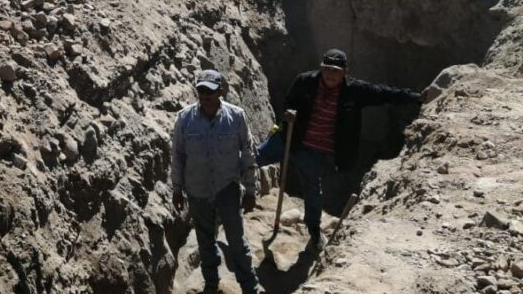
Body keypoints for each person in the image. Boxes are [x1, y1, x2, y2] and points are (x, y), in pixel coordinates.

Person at [257, 48, 422, 252]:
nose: (330, 75)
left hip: (313, 151)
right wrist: (288, 114)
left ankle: (314, 232)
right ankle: (223, 189)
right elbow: (289, 101)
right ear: (321, 68)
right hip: (289, 137)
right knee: (254, 158)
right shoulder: (305, 81)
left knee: (312, 192)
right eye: (327, 69)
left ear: (345, 72)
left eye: (335, 71)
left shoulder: (354, 91)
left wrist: (415, 98)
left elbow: (384, 94)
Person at [171, 69, 260, 294]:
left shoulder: (236, 117)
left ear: (220, 91)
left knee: (237, 241)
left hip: (227, 188)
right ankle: (211, 285)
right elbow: (178, 156)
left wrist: (251, 190)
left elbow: (248, 153)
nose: (205, 96)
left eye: (210, 91)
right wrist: (177, 188)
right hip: (197, 190)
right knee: (205, 241)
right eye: (201, 91)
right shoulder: (184, 119)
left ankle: (250, 286)